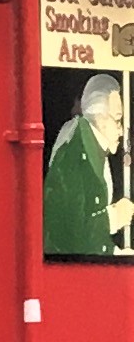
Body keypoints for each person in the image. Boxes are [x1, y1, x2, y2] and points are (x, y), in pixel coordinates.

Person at [44, 70, 127, 262]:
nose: (121, 130)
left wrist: (115, 253)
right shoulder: (75, 154)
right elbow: (72, 231)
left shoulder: (93, 149)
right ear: (100, 119)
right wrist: (114, 217)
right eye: (117, 120)